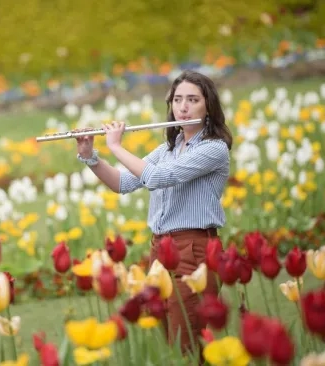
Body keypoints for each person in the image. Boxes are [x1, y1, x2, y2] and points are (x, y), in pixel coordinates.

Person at [74, 70, 232, 360]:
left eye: (193, 100)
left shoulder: (214, 149)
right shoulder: (167, 149)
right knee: (163, 340)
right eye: (177, 99)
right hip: (162, 249)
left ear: (208, 106)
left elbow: (159, 177)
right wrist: (90, 156)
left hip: (195, 249)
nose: (183, 107)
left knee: (187, 339)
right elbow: (122, 183)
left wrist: (116, 146)